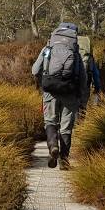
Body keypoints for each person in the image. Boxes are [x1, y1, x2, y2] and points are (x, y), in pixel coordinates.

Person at [32, 22, 85, 170]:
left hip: (50, 91)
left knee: (50, 121)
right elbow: (82, 77)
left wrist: (44, 79)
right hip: (70, 92)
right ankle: (64, 161)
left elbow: (35, 70)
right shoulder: (75, 52)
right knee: (66, 128)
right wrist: (81, 98)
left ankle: (53, 146)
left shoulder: (48, 48)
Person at [77, 35, 102, 117]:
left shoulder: (70, 55)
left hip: (69, 86)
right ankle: (80, 127)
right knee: (82, 107)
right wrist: (97, 88)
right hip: (85, 86)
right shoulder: (89, 58)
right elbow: (96, 74)